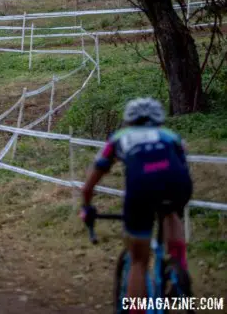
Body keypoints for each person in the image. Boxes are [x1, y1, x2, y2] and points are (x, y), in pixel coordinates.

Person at [80, 98, 192, 309]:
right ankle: (179, 266)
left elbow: (89, 184)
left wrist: (86, 206)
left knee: (139, 261)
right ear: (159, 120)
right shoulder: (170, 136)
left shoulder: (119, 137)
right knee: (171, 212)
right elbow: (184, 162)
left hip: (141, 188)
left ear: (129, 120)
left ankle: (136, 310)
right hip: (178, 184)